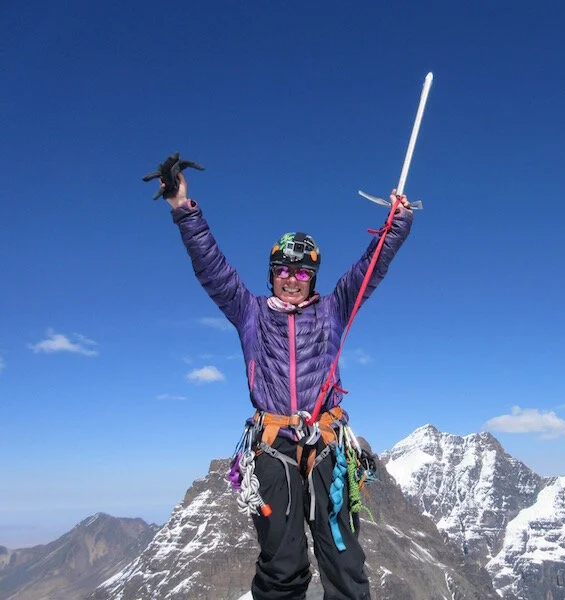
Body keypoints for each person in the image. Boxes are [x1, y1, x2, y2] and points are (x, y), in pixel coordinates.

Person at [160, 167, 413, 600]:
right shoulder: (250, 313)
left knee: (344, 560)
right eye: (282, 270)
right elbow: (212, 269)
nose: (291, 279)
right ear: (271, 273)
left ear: (313, 277)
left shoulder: (334, 309)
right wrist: (183, 208)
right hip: (274, 443)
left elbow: (371, 267)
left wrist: (397, 222)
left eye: (301, 272)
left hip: (326, 441)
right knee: (282, 563)